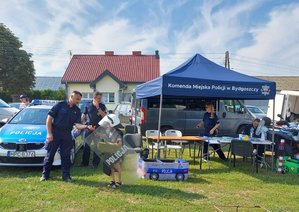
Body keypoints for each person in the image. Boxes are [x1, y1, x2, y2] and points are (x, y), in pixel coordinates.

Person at [40, 91, 93, 183]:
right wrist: (49, 133)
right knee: (50, 155)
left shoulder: (77, 110)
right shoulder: (60, 105)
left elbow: (77, 125)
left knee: (66, 156)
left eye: (79, 99)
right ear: (71, 97)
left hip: (67, 134)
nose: (78, 101)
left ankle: (66, 176)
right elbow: (49, 119)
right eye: (77, 99)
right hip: (55, 132)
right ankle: (45, 175)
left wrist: (87, 126)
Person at [81, 91, 107, 168]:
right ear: (94, 98)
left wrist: (98, 107)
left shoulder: (102, 106)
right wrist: (82, 124)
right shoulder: (88, 104)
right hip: (89, 128)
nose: (100, 100)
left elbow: (104, 116)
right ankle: (84, 163)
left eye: (100, 98)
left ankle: (95, 164)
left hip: (98, 129)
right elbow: (83, 115)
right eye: (98, 98)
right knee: (86, 146)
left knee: (97, 147)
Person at [98, 114, 124, 188]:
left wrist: (107, 143)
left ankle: (119, 182)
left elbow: (119, 144)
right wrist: (104, 137)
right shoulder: (109, 131)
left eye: (108, 124)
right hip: (110, 151)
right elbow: (109, 138)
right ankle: (113, 181)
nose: (107, 125)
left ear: (113, 123)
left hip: (116, 152)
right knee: (111, 166)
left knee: (116, 166)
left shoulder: (118, 133)